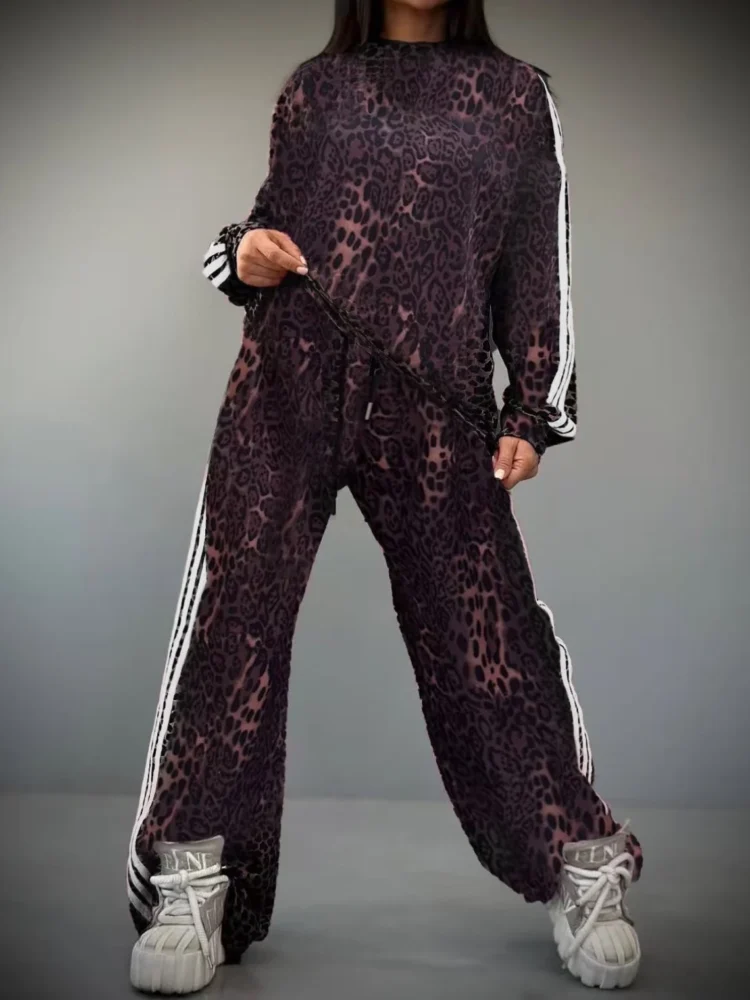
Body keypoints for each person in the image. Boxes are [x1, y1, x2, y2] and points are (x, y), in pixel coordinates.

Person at [127, 0, 644, 993]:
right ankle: (191, 871)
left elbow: (539, 259)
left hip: (434, 400)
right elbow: (267, 223)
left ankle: (581, 857)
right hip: (289, 378)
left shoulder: (515, 97)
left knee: (487, 638)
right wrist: (242, 252)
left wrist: (534, 408)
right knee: (237, 619)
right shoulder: (315, 90)